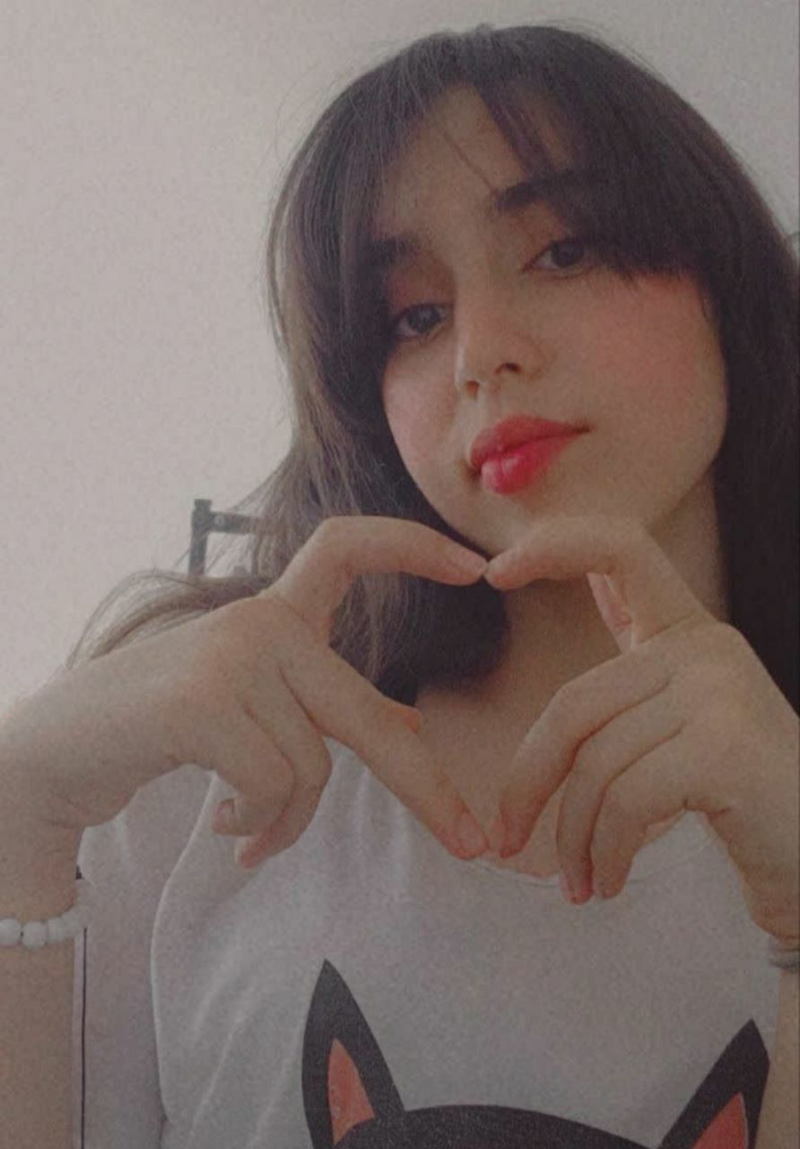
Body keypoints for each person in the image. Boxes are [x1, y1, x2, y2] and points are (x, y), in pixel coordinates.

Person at [1, 21, 797, 1149]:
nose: (479, 350)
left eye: (563, 251)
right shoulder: (212, 775)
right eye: (415, 316)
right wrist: (20, 815)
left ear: (724, 276)